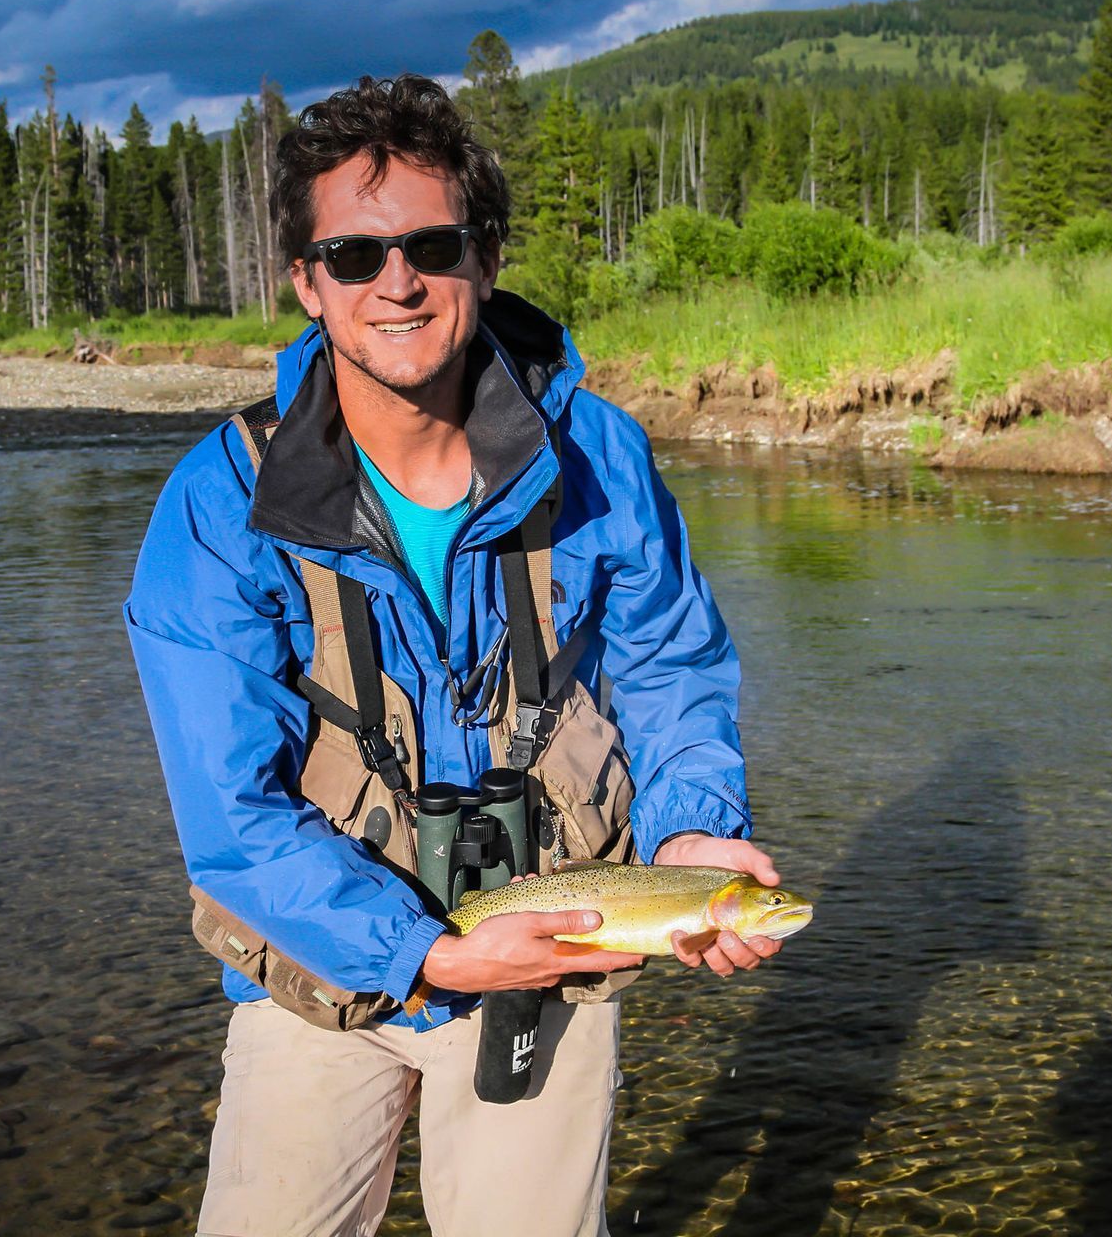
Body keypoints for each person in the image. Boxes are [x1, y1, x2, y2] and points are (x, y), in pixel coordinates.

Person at [124, 73, 780, 1237]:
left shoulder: (598, 454)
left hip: (557, 941)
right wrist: (423, 952)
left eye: (433, 243)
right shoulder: (220, 505)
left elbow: (674, 662)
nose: (398, 281)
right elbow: (230, 814)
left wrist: (691, 829)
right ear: (306, 283)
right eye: (354, 254)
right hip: (321, 953)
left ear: (483, 261)